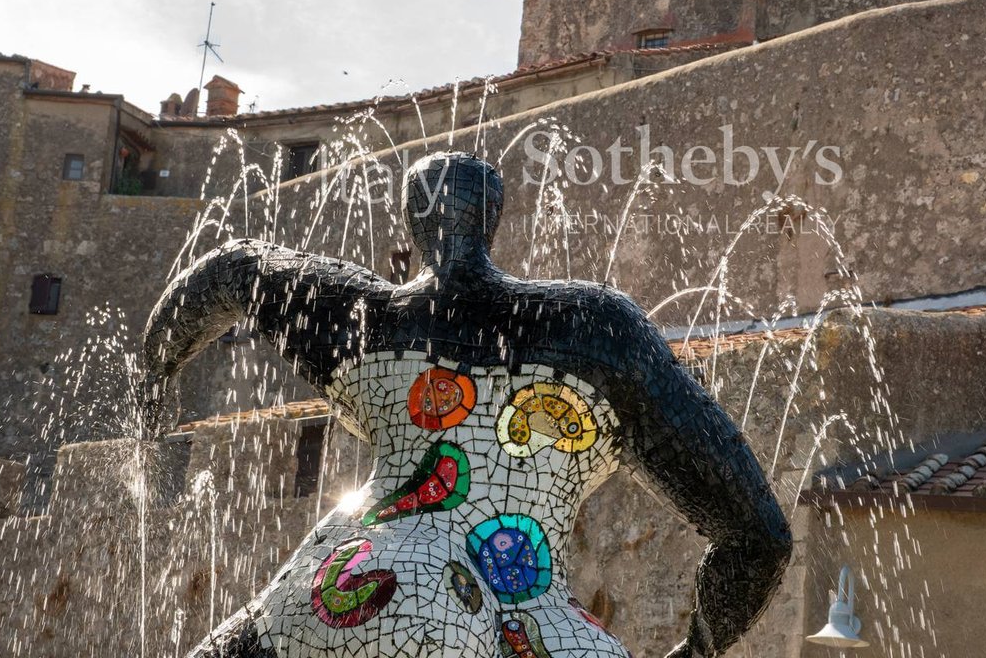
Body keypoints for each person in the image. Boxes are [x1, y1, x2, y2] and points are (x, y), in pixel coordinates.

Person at [142, 151, 791, 658]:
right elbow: (760, 538)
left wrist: (151, 386)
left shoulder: (365, 318)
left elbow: (231, 271)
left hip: (356, 574)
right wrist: (696, 650)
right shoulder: (601, 328)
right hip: (536, 622)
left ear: (413, 220)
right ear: (492, 217)